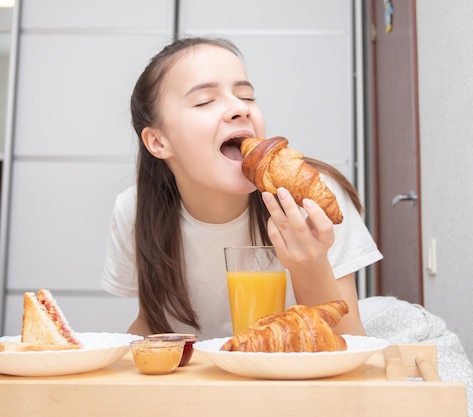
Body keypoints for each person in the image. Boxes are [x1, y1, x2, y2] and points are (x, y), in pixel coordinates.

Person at [100, 37, 383, 340]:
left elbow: (351, 345)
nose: (240, 109)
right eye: (205, 101)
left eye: (247, 97)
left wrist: (311, 266)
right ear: (158, 142)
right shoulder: (135, 210)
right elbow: (151, 323)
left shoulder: (313, 202)